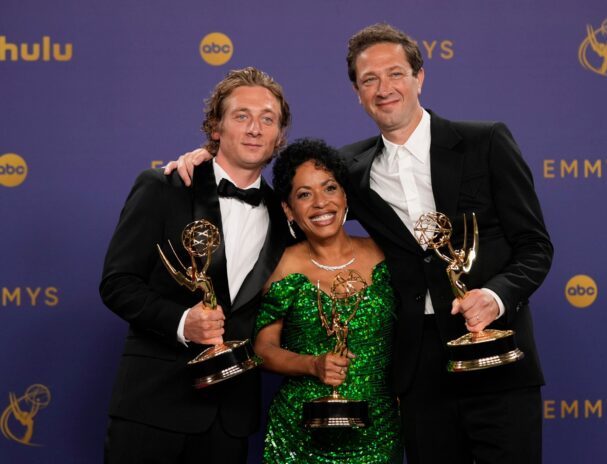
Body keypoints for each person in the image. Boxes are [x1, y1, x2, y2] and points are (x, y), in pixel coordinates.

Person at [167, 23, 553, 464]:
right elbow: (301, 196)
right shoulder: (350, 168)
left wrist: (495, 297)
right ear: (357, 92)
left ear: (419, 77)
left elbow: (535, 246)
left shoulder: (485, 142)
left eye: (395, 74)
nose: (384, 88)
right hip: (416, 366)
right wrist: (207, 161)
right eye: (369, 80)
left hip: (495, 351)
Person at [100, 67, 291, 463]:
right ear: (215, 127)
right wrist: (181, 322)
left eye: (267, 119)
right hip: (152, 407)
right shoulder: (163, 186)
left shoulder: (286, 218)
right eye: (241, 116)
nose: (255, 128)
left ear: (279, 136)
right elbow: (118, 283)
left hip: (230, 420)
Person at [253, 138, 402, 463]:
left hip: (379, 429)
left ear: (345, 195)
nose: (320, 203)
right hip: (299, 435)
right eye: (304, 194)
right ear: (288, 209)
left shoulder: (384, 255)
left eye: (329, 188)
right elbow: (262, 351)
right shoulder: (281, 267)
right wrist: (311, 364)